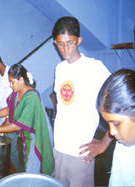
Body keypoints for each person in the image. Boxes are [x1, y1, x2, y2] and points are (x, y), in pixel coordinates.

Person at [52, 16, 111, 187]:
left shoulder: (94, 68)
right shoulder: (60, 68)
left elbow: (120, 103)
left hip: (80, 153)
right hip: (59, 149)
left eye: (69, 43)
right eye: (60, 44)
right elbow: (61, 105)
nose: (65, 49)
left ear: (79, 41)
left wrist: (105, 141)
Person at [0, 64, 54, 175]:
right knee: (28, 166)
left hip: (37, 137)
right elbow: (10, 109)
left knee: (33, 171)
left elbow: (18, 125)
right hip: (27, 137)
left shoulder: (32, 97)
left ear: (21, 80)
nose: (11, 86)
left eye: (12, 82)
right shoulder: (17, 93)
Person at [97, 69, 135, 186]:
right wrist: (104, 143)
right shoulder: (125, 140)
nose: (112, 132)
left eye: (116, 123)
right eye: (108, 124)